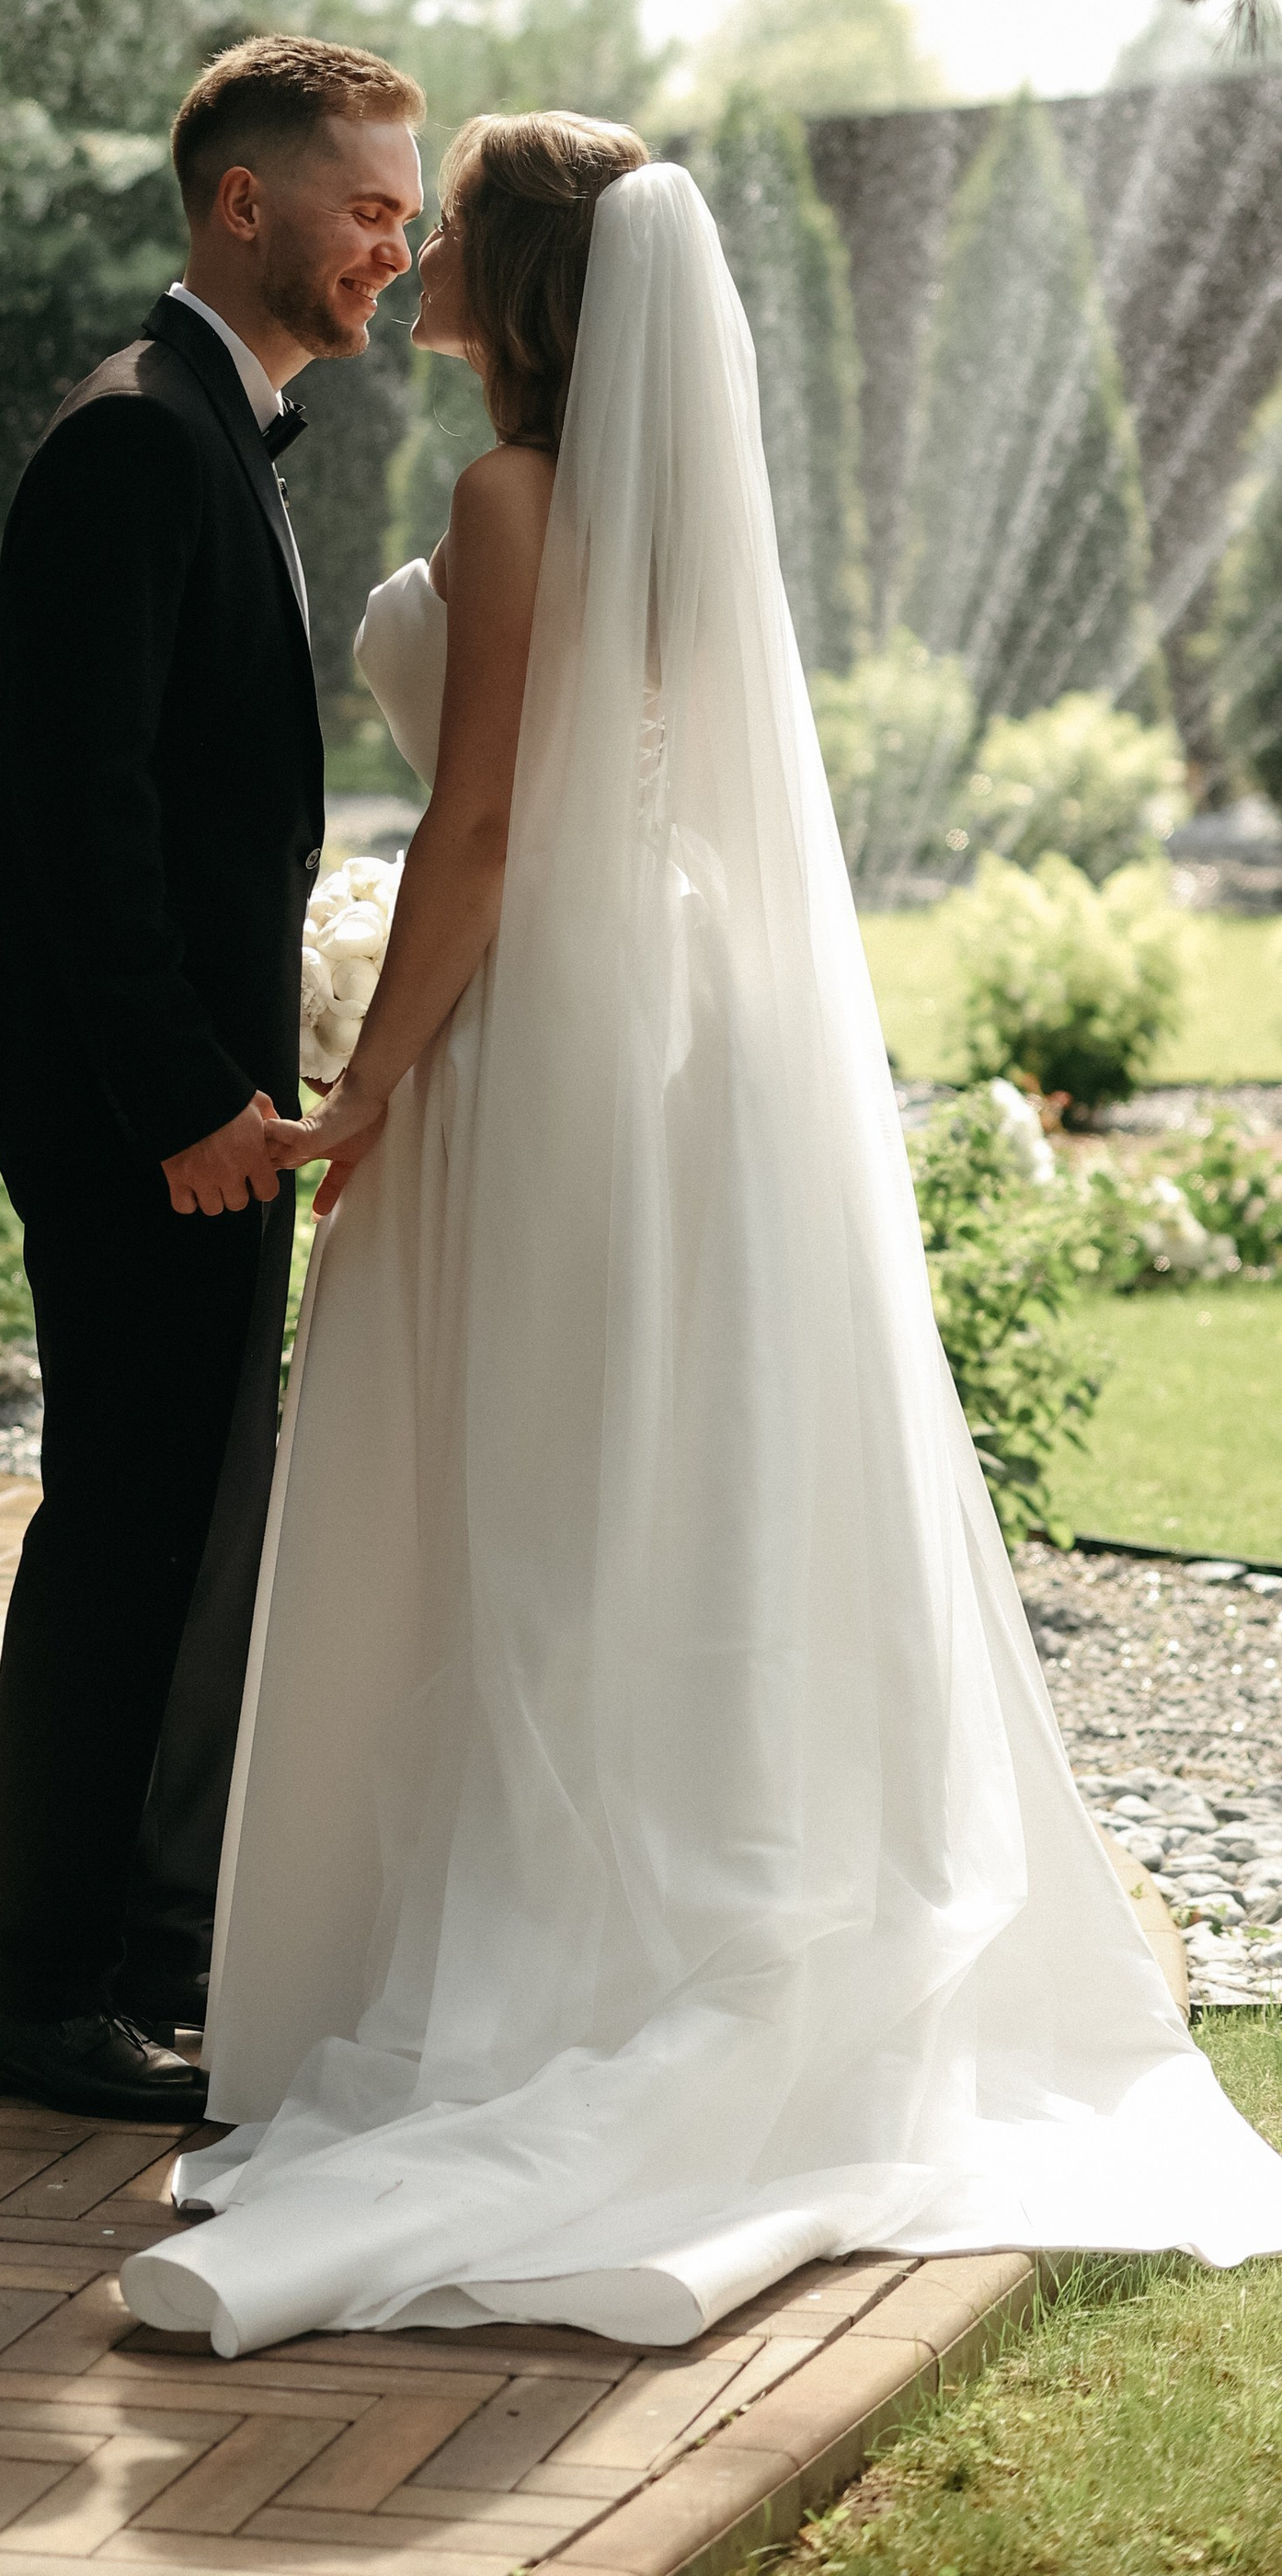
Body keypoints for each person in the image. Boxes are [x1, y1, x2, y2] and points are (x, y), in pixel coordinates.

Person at [123, 120, 1282, 2346]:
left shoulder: (507, 502)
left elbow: (473, 834)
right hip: (663, 1037)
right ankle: (676, 1911)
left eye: (448, 221)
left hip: (530, 1049)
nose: (416, 245)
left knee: (529, 1499)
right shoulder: (651, 511)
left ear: (530, 288)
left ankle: (547, 1962)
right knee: (644, 1489)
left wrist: (367, 1080)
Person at [0, 33, 423, 2123]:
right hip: (143, 1118)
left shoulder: (227, 432)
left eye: (404, 215)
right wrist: (182, 1099)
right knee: (124, 1525)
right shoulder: (134, 439)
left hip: (190, 1105)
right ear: (245, 203)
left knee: (192, 1518)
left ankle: (138, 1948)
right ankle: (30, 1989)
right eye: (365, 206)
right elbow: (73, 813)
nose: (391, 246)